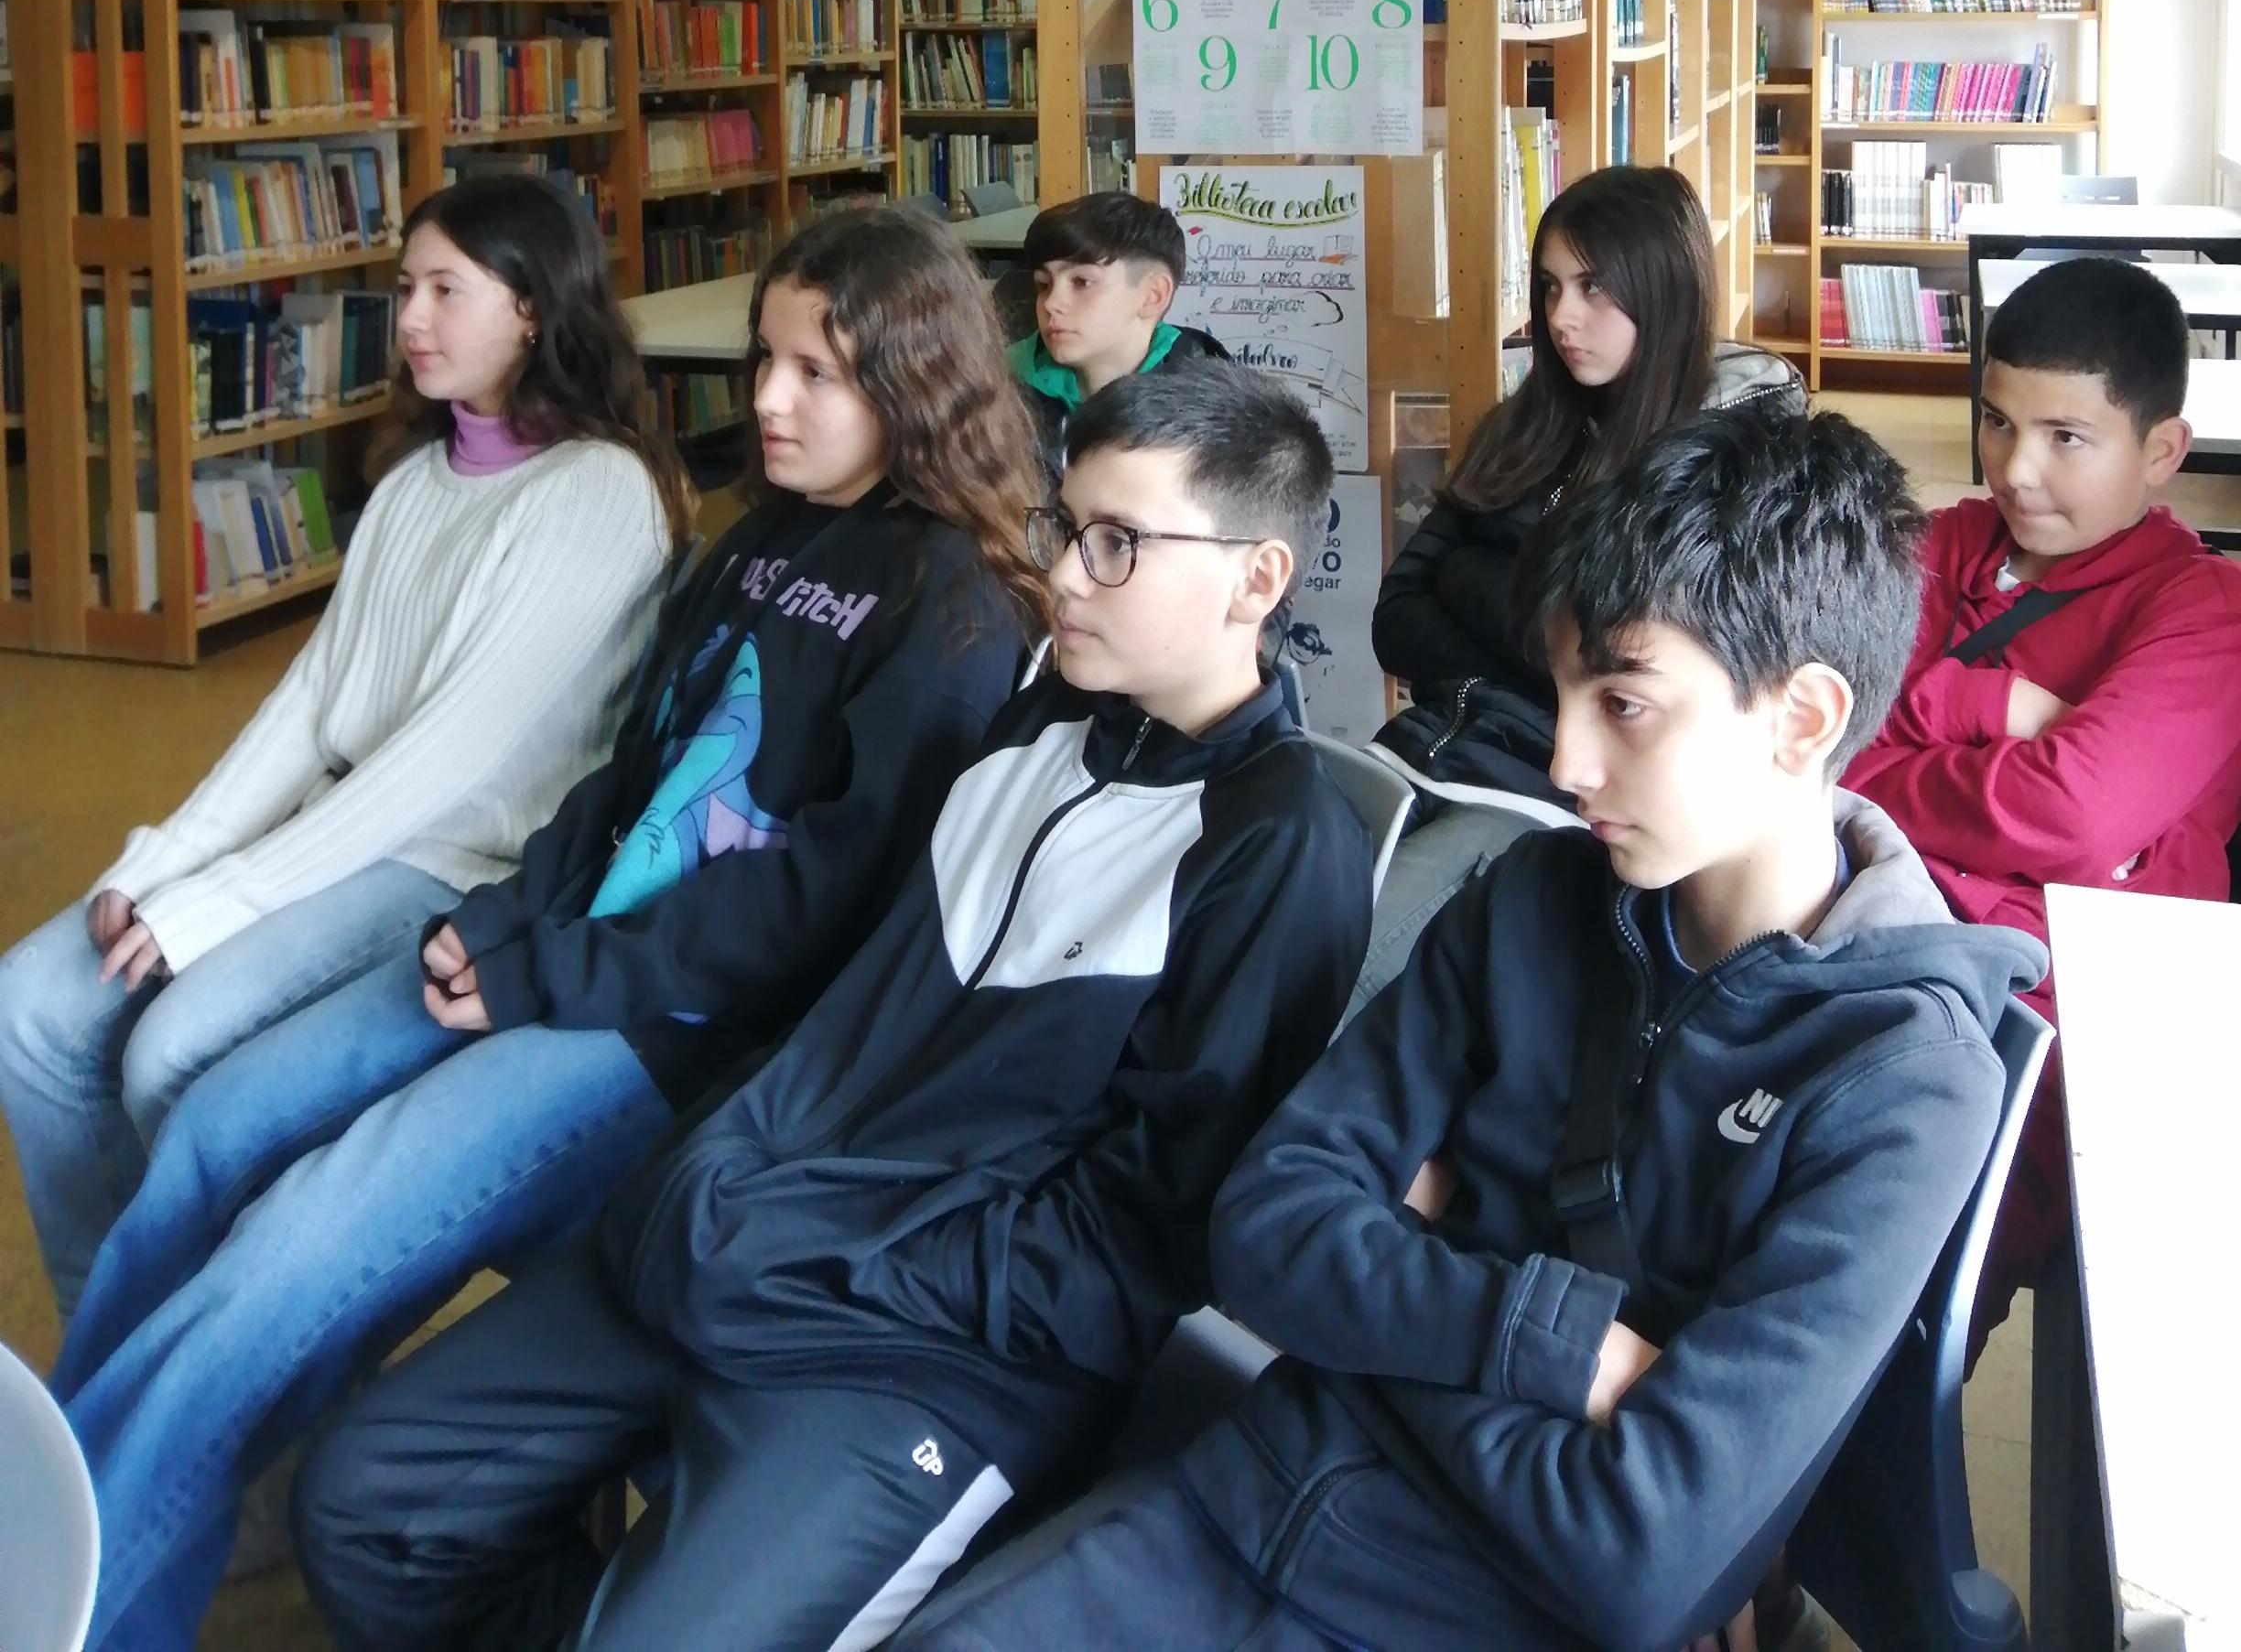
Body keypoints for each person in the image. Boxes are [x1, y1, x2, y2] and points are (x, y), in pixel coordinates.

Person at [50, 202, 1047, 1651]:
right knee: (214, 1124)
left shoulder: (952, 605)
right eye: (765, 359)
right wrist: (507, 923)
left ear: (914, 378)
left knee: (290, 1252)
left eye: (814, 373)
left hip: (664, 1031)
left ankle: (79, 1600)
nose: (766, 398)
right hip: (557, 952)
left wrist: (546, 969)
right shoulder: (759, 534)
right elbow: (626, 776)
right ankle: (72, 1485)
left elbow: (804, 910)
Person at [914, 405, 2044, 1652]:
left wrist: (1385, 1298)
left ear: (1804, 716)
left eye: (1624, 701)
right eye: (1559, 689)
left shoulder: (1903, 1073)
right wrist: (1565, 1350)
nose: (1562, 758)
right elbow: (1258, 1229)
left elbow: (1640, 1558)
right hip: (1231, 1509)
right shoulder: (1532, 898)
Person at [291, 362, 1376, 1652]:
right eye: (1065, 525)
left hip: (929, 1354)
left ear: (1255, 578)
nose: (1069, 573)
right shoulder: (1041, 711)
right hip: (739, 1221)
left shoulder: (1278, 846)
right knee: (360, 1503)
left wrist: (828, 1252)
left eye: (1118, 542)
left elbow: (1141, 1244)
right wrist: (731, 1174)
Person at [0, 175, 688, 1327]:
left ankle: (186, 1360)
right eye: (403, 287)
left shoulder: (598, 493)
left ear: (532, 308)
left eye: (443, 290)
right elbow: (311, 702)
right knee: (27, 999)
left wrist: (216, 904)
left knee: (168, 1053)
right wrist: (163, 861)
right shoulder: (418, 481)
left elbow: (445, 760)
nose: (409, 319)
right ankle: (121, 1343)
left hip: (453, 861)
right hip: (344, 821)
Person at [1846, 254, 2241, 1336]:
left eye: (2067, 437)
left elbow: (2075, 816)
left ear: (2162, 452)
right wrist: (2000, 709)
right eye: (1997, 422)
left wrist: (1906, 735)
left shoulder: (2205, 612)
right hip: (1859, 954)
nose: (2016, 470)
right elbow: (1830, 747)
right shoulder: (1948, 542)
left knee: (1884, 1306)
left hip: (2038, 1031)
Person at [1353, 165, 1801, 1014]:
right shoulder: (1518, 429)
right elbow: (1395, 618)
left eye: (1595, 287)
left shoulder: (1698, 470)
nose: (1561, 316)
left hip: (1546, 790)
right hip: (1418, 751)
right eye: (1552, 285)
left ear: (1662, 289)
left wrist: (1472, 581)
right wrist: (1540, 625)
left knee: (1349, 974)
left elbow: (1615, 666)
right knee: (1253, 914)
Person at [1008, 192, 1228, 481]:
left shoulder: (1217, 407)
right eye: (1043, 285)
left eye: (1082, 282)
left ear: (1153, 296)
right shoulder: (994, 386)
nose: (1051, 303)